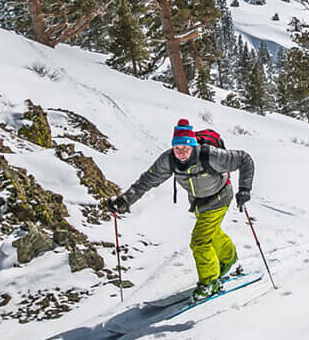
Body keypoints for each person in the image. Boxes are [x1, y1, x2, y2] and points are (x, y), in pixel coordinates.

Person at [108, 119, 254, 301]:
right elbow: (147, 180)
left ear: (193, 145)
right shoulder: (169, 160)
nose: (181, 153)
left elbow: (245, 159)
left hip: (220, 197)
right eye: (177, 148)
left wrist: (245, 189)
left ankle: (210, 282)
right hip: (199, 203)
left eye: (185, 148)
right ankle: (229, 257)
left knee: (199, 241)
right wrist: (125, 199)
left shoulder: (209, 155)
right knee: (211, 233)